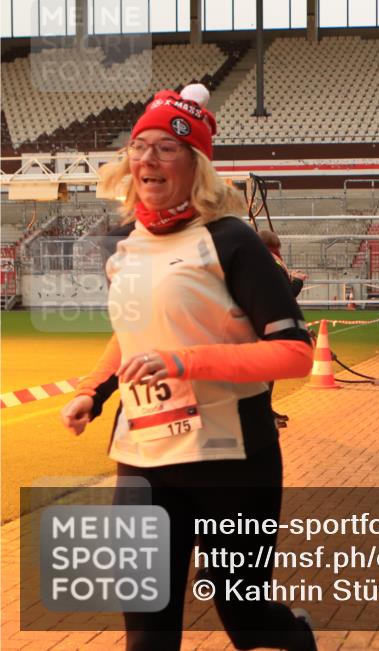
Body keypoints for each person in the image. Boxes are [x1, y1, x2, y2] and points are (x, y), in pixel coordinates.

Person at [59, 84, 316, 651]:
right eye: (139, 146)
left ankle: (295, 637)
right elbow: (132, 334)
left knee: (244, 616)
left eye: (166, 148)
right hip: (142, 457)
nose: (147, 159)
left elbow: (295, 355)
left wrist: (182, 362)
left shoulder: (231, 242)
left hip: (232, 462)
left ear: (196, 165)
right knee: (146, 628)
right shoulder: (124, 247)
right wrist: (91, 393)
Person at [258, 229, 308, 428]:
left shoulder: (261, 261)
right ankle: (263, 415)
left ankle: (266, 410)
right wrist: (297, 280)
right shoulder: (272, 263)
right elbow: (286, 294)